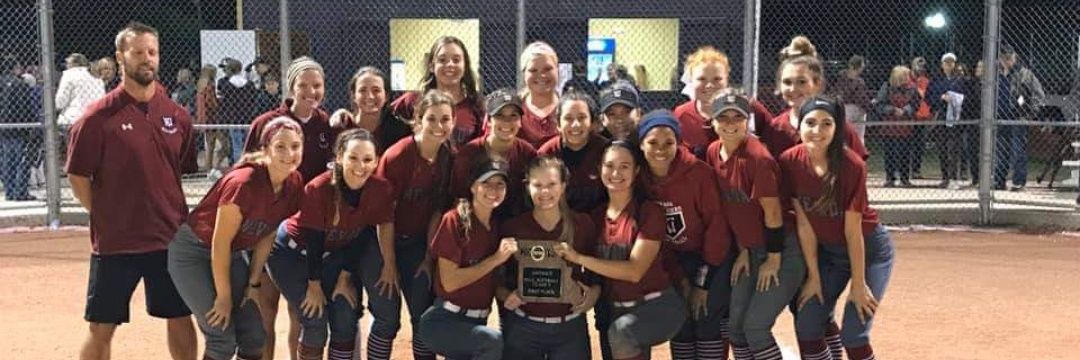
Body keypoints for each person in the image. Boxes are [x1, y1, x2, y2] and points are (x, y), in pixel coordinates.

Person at [65, 22, 198, 360]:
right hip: (116, 242)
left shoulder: (177, 115)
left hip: (169, 237)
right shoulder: (96, 117)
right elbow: (78, 176)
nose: (146, 59)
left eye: (151, 52)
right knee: (101, 326)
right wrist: (106, 214)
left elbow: (179, 169)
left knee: (181, 317)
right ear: (120, 57)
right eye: (137, 52)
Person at [170, 116, 303, 360]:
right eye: (280, 147)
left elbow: (267, 234)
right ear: (265, 150)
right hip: (194, 252)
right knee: (221, 336)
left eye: (295, 146)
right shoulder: (243, 183)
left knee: (254, 336)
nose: (289, 153)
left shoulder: (293, 183)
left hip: (231, 254)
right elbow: (219, 243)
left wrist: (253, 284)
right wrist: (224, 297)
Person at [782, 97, 895, 360]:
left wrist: (858, 283)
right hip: (832, 254)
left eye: (826, 123)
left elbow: (853, 232)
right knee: (807, 324)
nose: (817, 131)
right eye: (810, 123)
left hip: (869, 252)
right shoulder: (790, 161)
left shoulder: (851, 165)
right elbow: (804, 224)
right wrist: (814, 276)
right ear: (799, 125)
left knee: (854, 334)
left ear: (837, 128)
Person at [268, 128, 394, 360]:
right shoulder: (319, 188)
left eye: (367, 159)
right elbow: (314, 241)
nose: (360, 166)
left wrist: (345, 277)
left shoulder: (379, 188)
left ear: (376, 161)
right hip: (292, 254)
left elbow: (363, 234)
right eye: (353, 158)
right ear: (339, 157)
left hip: (331, 255)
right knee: (315, 319)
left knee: (345, 311)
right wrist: (314, 286)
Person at [559, 141, 687, 360]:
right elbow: (597, 274)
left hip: (657, 305)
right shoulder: (596, 217)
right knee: (619, 334)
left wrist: (579, 258)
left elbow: (634, 271)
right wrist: (593, 290)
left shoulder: (649, 211)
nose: (616, 172)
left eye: (625, 166)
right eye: (609, 166)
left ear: (637, 171)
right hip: (617, 309)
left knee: (622, 333)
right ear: (599, 169)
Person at [244, 56, 334, 360]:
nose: (311, 91)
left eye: (317, 85)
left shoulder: (328, 124)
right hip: (266, 229)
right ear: (291, 86)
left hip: (302, 235)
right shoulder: (266, 124)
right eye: (303, 84)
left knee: (300, 312)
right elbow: (246, 175)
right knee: (265, 310)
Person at [705, 94, 806, 360]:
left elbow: (773, 213)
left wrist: (773, 260)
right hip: (751, 250)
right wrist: (742, 249)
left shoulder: (757, 158)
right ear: (713, 122)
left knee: (755, 328)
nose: (730, 123)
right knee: (736, 329)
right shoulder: (714, 152)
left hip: (782, 250)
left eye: (737, 116)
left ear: (747, 120)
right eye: (723, 117)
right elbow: (734, 211)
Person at [368, 90, 457, 360]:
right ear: (418, 120)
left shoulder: (447, 157)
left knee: (423, 315)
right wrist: (389, 263)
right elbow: (383, 216)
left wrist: (429, 258)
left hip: (417, 243)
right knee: (387, 317)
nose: (439, 126)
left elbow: (437, 211)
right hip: (381, 242)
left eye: (445, 119)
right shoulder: (398, 156)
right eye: (432, 119)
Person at [636, 110, 731, 360]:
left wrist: (702, 283)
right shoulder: (640, 178)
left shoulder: (698, 173)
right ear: (641, 144)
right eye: (652, 142)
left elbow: (716, 226)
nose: (661, 149)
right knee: (681, 322)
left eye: (669, 142)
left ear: (679, 142)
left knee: (706, 316)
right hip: (673, 260)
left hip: (708, 258)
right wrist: (681, 279)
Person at [498, 156, 600, 360]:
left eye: (552, 184)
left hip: (570, 328)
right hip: (524, 327)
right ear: (527, 186)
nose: (545, 192)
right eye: (538, 185)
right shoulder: (512, 228)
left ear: (563, 186)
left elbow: (596, 272)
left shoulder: (583, 224)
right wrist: (504, 295)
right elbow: (497, 278)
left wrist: (594, 293)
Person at [417, 159, 517, 360]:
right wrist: (496, 259)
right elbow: (450, 282)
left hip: (476, 323)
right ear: (473, 187)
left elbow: (488, 282)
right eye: (486, 183)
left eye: (500, 184)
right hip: (443, 321)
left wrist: (509, 296)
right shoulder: (455, 220)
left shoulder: (497, 226)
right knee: (492, 341)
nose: (493, 190)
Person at [761, 36, 868, 161]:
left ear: (817, 84)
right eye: (787, 82)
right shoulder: (775, 129)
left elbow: (857, 171)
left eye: (802, 82)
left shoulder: (838, 127)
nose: (793, 89)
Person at [450, 88, 537, 219]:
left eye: (513, 116)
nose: (507, 121)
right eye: (500, 115)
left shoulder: (527, 153)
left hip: (514, 222)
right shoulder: (469, 154)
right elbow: (458, 198)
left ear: (520, 121)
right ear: (489, 120)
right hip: (477, 220)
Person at [675, 46, 775, 159]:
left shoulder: (748, 107)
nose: (709, 85)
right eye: (701, 79)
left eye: (717, 79)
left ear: (727, 79)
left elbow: (773, 140)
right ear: (691, 81)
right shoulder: (681, 114)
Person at [389, 36, 484, 147]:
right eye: (442, 60)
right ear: (431, 66)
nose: (450, 65)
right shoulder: (413, 100)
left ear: (465, 66)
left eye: (456, 60)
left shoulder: (477, 105)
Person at [537, 90, 611, 212]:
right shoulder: (546, 154)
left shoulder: (606, 151)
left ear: (592, 122)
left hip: (598, 222)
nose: (575, 124)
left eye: (582, 118)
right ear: (558, 124)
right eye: (568, 118)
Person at [994, 44, 1045, 191]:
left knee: (1018, 151)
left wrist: (1030, 114)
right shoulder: (996, 75)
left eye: (1009, 58)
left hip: (1018, 118)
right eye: (1004, 58)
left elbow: (1039, 95)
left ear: (1015, 57)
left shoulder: (1025, 74)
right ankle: (999, 180)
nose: (1007, 61)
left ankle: (1018, 181)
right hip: (1000, 117)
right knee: (1000, 152)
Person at [329, 66, 411, 155]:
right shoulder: (341, 126)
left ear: (386, 96)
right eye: (362, 90)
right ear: (354, 96)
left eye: (376, 90)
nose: (370, 96)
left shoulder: (398, 130)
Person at [927, 53, 969, 190]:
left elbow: (967, 97)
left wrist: (956, 99)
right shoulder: (936, 80)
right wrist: (941, 97)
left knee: (955, 148)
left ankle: (954, 176)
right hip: (942, 116)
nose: (949, 65)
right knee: (942, 147)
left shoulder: (960, 80)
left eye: (951, 62)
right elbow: (928, 97)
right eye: (946, 62)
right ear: (942, 64)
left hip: (956, 118)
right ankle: (945, 176)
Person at [874, 65, 921, 188]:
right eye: (905, 75)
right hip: (890, 125)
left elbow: (916, 104)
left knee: (905, 152)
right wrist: (892, 109)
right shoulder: (887, 87)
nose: (907, 78)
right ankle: (890, 178)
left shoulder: (912, 89)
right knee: (889, 152)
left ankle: (905, 178)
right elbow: (879, 104)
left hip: (905, 125)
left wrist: (905, 110)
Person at [0, 58, 36, 201]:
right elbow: (24, 107)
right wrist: (31, 125)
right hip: (19, 126)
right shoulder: (20, 84)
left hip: (3, 127)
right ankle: (20, 192)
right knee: (21, 159)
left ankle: (9, 191)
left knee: (7, 160)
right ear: (16, 67)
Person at [517, 41, 562, 148]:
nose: (541, 75)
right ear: (524, 74)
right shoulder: (513, 108)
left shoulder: (568, 107)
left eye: (547, 69)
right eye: (533, 70)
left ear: (557, 70)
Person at [219, 57, 260, 165]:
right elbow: (253, 101)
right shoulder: (249, 84)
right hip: (247, 116)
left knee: (236, 144)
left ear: (230, 70)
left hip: (234, 118)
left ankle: (238, 165)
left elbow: (225, 104)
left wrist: (224, 117)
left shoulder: (227, 86)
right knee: (248, 143)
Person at [56, 53, 105, 128]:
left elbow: (60, 102)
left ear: (74, 64)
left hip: (73, 120)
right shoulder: (97, 77)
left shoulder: (69, 74)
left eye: (67, 63)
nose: (66, 66)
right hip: (95, 119)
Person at [831, 55, 872, 144]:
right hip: (854, 109)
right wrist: (870, 106)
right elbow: (861, 98)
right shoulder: (858, 81)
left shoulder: (840, 76)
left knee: (842, 134)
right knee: (858, 136)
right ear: (859, 67)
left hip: (840, 107)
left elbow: (834, 92)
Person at [196, 65, 226, 172]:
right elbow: (211, 102)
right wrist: (218, 103)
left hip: (204, 117)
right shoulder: (210, 85)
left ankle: (209, 167)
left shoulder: (201, 84)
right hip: (211, 117)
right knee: (225, 143)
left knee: (210, 144)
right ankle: (215, 165)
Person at [910, 57, 933, 180]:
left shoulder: (925, 81)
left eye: (923, 66)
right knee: (907, 143)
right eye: (918, 65)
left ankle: (916, 169)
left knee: (919, 144)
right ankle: (905, 169)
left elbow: (924, 95)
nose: (920, 68)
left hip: (922, 116)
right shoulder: (907, 78)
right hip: (909, 116)